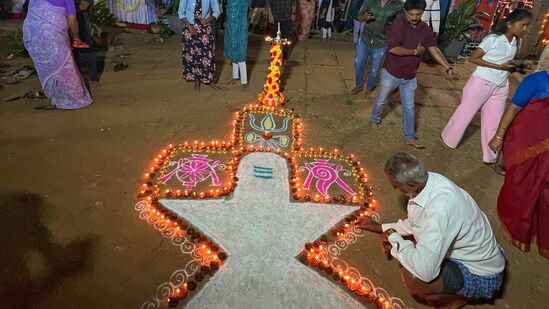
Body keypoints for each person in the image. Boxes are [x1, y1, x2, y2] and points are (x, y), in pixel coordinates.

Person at [358, 152, 505, 308]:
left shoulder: (440, 209)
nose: (395, 189)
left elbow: (426, 271)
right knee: (414, 244)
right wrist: (382, 227)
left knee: (414, 279)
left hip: (480, 271)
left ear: (412, 185)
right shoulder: (428, 181)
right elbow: (418, 221)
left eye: (396, 186)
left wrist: (394, 237)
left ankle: (458, 299)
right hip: (465, 251)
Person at [441, 9, 532, 166]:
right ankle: (448, 140)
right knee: (465, 114)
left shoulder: (516, 42)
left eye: (526, 26)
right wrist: (500, 66)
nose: (524, 29)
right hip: (481, 82)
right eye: (522, 25)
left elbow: (509, 67)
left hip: (500, 86)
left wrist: (526, 83)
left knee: (494, 122)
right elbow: (474, 58)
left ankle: (490, 156)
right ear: (510, 24)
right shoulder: (493, 40)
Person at [369, 0, 458, 149]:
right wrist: (416, 52)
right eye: (411, 14)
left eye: (418, 14)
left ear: (423, 13)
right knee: (381, 99)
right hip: (391, 72)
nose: (415, 17)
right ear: (405, 12)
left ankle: (409, 137)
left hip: (410, 75)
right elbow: (394, 49)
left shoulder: (424, 29)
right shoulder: (398, 26)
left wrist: (448, 67)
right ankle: (374, 118)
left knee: (409, 106)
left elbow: (433, 48)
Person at [488, 70, 549, 259]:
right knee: (520, 183)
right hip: (525, 143)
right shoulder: (537, 80)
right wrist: (499, 136)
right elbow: (513, 108)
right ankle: (515, 225)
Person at [23, 0, 93, 110]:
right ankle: (73, 98)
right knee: (63, 66)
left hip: (32, 33)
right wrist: (76, 37)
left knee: (50, 68)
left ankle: (55, 96)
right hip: (53, 35)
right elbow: (72, 21)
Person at [351, 0, 403, 96]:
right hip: (365, 39)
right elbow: (359, 16)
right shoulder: (370, 1)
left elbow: (401, 23)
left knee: (374, 69)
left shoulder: (397, 4)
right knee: (358, 65)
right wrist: (364, 17)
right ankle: (358, 84)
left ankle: (369, 89)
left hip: (381, 42)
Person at [179, 0, 221, 90]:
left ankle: (209, 80)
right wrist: (190, 27)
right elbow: (181, 13)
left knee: (207, 54)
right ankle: (196, 80)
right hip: (190, 28)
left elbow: (217, 11)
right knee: (192, 55)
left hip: (205, 29)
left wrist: (207, 20)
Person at [74, 0, 99, 87]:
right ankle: (77, 79)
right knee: (72, 55)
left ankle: (93, 77)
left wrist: (69, 10)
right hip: (67, 23)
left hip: (81, 24)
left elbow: (84, 5)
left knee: (86, 50)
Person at [224, 0, 248, 87]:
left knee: (240, 53)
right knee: (232, 51)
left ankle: (244, 82)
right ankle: (235, 76)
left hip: (240, 26)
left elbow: (242, 12)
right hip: (231, 26)